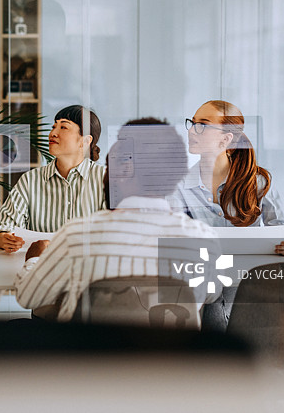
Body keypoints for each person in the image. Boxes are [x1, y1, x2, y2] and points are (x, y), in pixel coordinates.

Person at [15, 118, 221, 321]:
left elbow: (28, 297)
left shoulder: (77, 236)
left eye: (108, 165)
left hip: (93, 344)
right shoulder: (202, 240)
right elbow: (211, 294)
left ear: (124, 170)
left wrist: (34, 259)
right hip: (171, 344)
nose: (105, 175)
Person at [171, 99, 284, 331]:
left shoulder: (257, 182)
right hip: (201, 278)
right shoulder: (179, 186)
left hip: (246, 279)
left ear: (226, 139)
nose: (191, 131)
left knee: (218, 305)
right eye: (192, 123)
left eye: (202, 125)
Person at [0, 105, 105, 315]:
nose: (53, 133)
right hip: (45, 296)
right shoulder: (31, 180)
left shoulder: (105, 180)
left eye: (63, 127)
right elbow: (2, 225)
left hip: (93, 294)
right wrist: (3, 237)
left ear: (85, 141)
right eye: (53, 126)